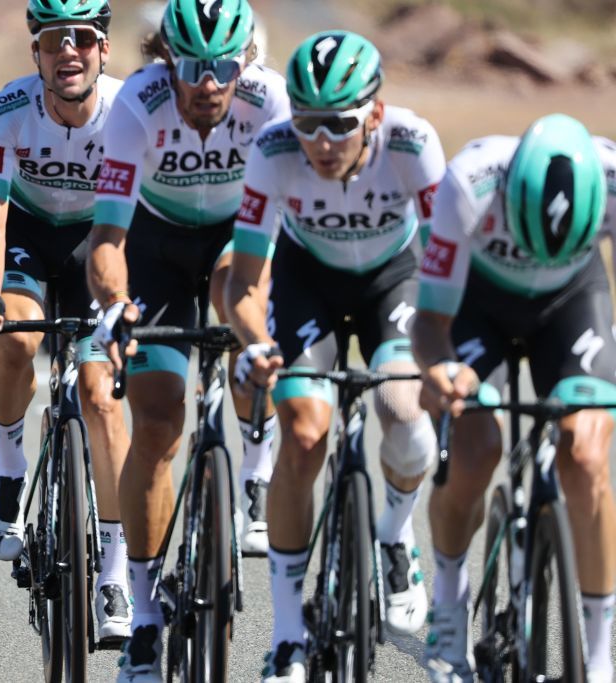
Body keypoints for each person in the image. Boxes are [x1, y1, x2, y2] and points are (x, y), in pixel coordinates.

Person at [226, 30, 446, 681]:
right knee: (300, 428)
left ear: (374, 114)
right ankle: (289, 633)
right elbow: (242, 282)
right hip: (307, 280)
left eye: (339, 125)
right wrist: (258, 342)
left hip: (395, 280)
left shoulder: (413, 142)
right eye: (307, 123)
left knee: (402, 405)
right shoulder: (272, 150)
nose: (320, 142)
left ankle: (395, 534)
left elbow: (447, 267)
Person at [84, 0, 289, 678]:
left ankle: (255, 459)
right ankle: (144, 614)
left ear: (246, 64)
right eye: (193, 67)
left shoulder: (270, 102)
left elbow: (287, 218)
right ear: (168, 60)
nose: (208, 82)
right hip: (158, 246)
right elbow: (108, 240)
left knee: (241, 312)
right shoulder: (137, 105)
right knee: (157, 421)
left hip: (239, 239)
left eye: (224, 67)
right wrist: (115, 306)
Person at [413, 113, 616, 683]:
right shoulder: (468, 182)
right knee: (476, 451)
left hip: (572, 302)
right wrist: (440, 371)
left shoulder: (613, 180)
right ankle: (450, 602)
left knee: (587, 453)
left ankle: (598, 654)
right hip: (479, 304)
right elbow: (429, 322)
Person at [0, 0, 134, 642]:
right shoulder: (7, 111)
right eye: (54, 40)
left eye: (83, 39)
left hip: (100, 246)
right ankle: (10, 461)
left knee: (101, 397)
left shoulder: (127, 112)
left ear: (103, 49)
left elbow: (139, 219)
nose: (69, 51)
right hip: (29, 241)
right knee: (17, 337)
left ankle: (114, 573)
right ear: (35, 52)